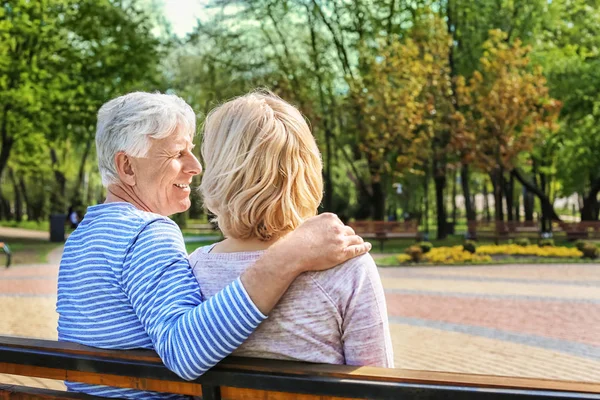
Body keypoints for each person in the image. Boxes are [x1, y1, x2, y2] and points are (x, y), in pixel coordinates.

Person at [56, 92, 371, 399]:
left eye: (192, 151)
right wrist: (288, 256)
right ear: (126, 167)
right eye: (178, 153)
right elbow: (184, 352)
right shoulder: (148, 232)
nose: (196, 166)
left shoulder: (81, 238)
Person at [189, 91, 394, 367]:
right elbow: (376, 383)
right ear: (307, 169)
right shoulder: (346, 268)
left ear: (219, 172)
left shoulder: (191, 270)